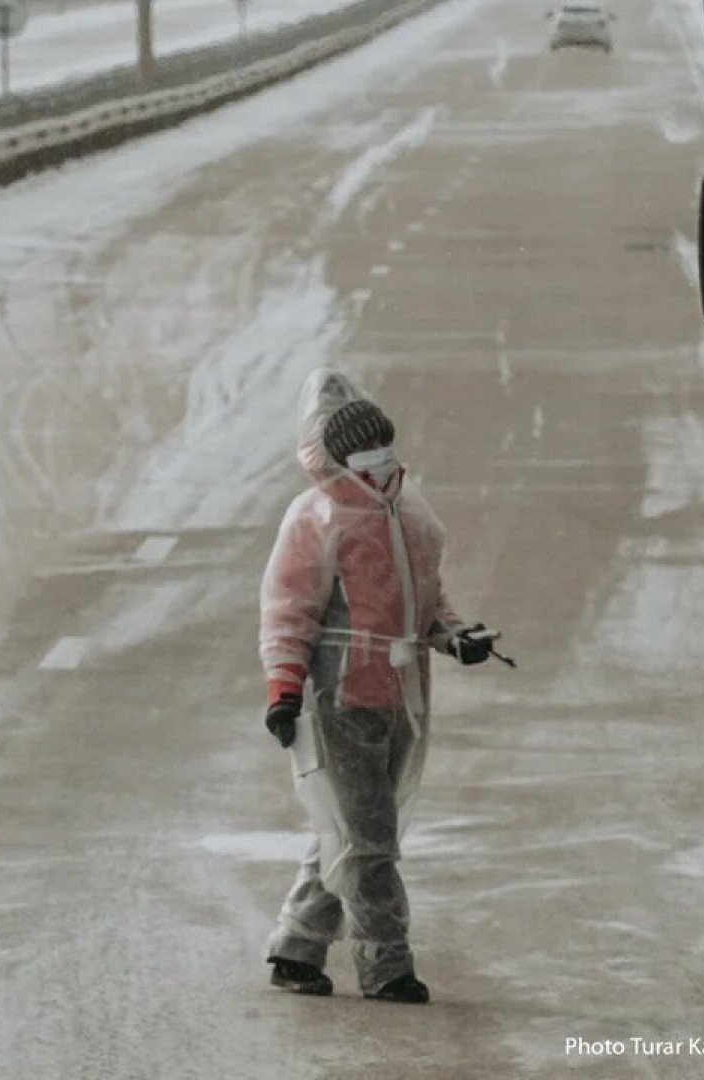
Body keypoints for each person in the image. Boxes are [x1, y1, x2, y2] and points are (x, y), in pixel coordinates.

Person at [257, 368, 498, 1003]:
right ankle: (386, 965)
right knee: (370, 840)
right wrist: (284, 688)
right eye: (362, 451)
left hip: (401, 696)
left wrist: (455, 636)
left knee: (352, 828)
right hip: (340, 698)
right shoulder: (317, 520)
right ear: (330, 457)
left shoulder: (409, 510)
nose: (378, 462)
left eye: (382, 447)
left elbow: (426, 601)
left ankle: (297, 945)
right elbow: (289, 611)